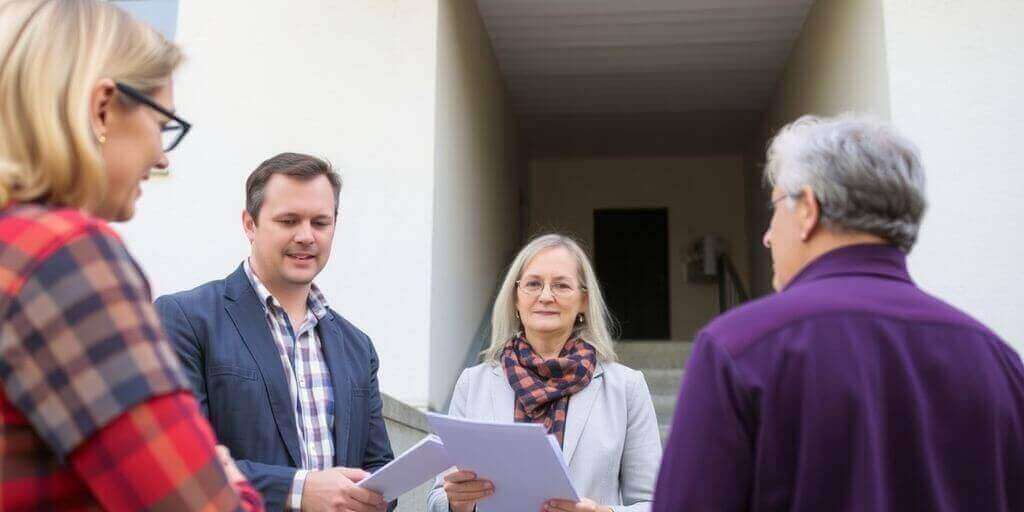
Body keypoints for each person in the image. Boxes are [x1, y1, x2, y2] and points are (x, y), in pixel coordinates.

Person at [653, 115, 1024, 511]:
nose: (767, 236)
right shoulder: (998, 360)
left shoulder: (739, 346)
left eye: (775, 207)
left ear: (807, 209)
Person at [0, 0, 262, 509]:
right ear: (103, 108)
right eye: (162, 123)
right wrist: (229, 478)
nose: (162, 156)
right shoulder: (65, 258)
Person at [156, 152, 395, 511]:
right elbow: (177, 460)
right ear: (249, 224)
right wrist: (298, 490)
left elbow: (379, 470)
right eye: (288, 221)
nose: (306, 236)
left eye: (320, 222)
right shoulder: (187, 319)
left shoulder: (358, 347)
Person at [426, 234, 662, 512]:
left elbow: (657, 503)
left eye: (561, 285)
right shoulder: (473, 384)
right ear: (515, 298)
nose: (546, 296)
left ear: (584, 300)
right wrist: (456, 503)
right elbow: (438, 497)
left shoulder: (626, 387)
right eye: (533, 284)